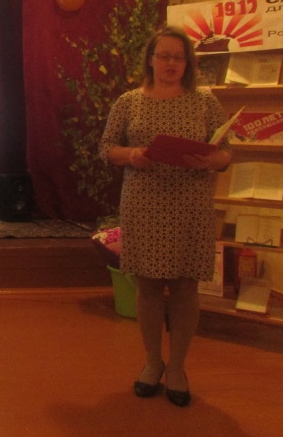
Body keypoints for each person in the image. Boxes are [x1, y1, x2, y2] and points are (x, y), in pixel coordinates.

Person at [98, 25, 231, 408]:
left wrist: (213, 159)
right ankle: (153, 362)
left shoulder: (204, 102)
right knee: (149, 287)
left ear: (187, 62)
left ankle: (177, 367)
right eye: (164, 56)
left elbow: (227, 152)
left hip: (191, 205)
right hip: (145, 203)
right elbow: (106, 147)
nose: (171, 63)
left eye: (178, 57)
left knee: (186, 287)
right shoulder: (129, 101)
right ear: (151, 60)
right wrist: (132, 154)